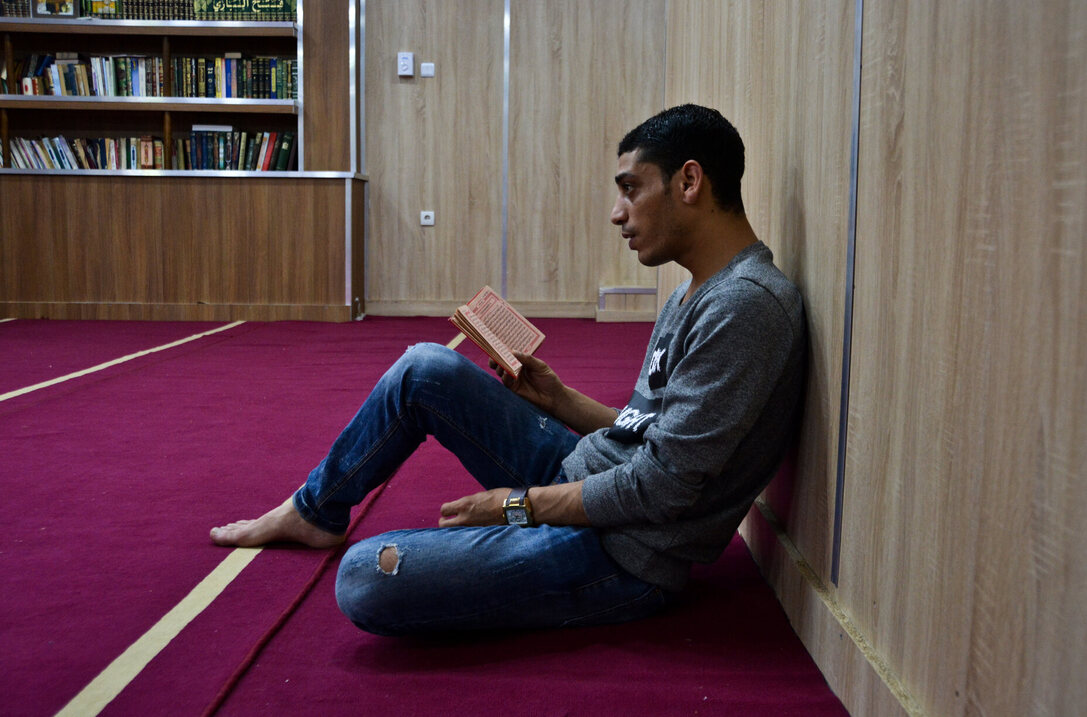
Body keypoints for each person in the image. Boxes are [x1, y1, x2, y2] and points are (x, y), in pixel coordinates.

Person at [211, 104, 806, 635]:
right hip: (588, 480)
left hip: (624, 553)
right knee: (424, 367)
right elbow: (646, 431)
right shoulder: (696, 292)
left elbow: (663, 485)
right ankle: (316, 510)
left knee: (368, 576)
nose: (617, 213)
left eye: (630, 189)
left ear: (690, 181)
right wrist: (559, 399)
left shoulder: (745, 307)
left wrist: (516, 506)